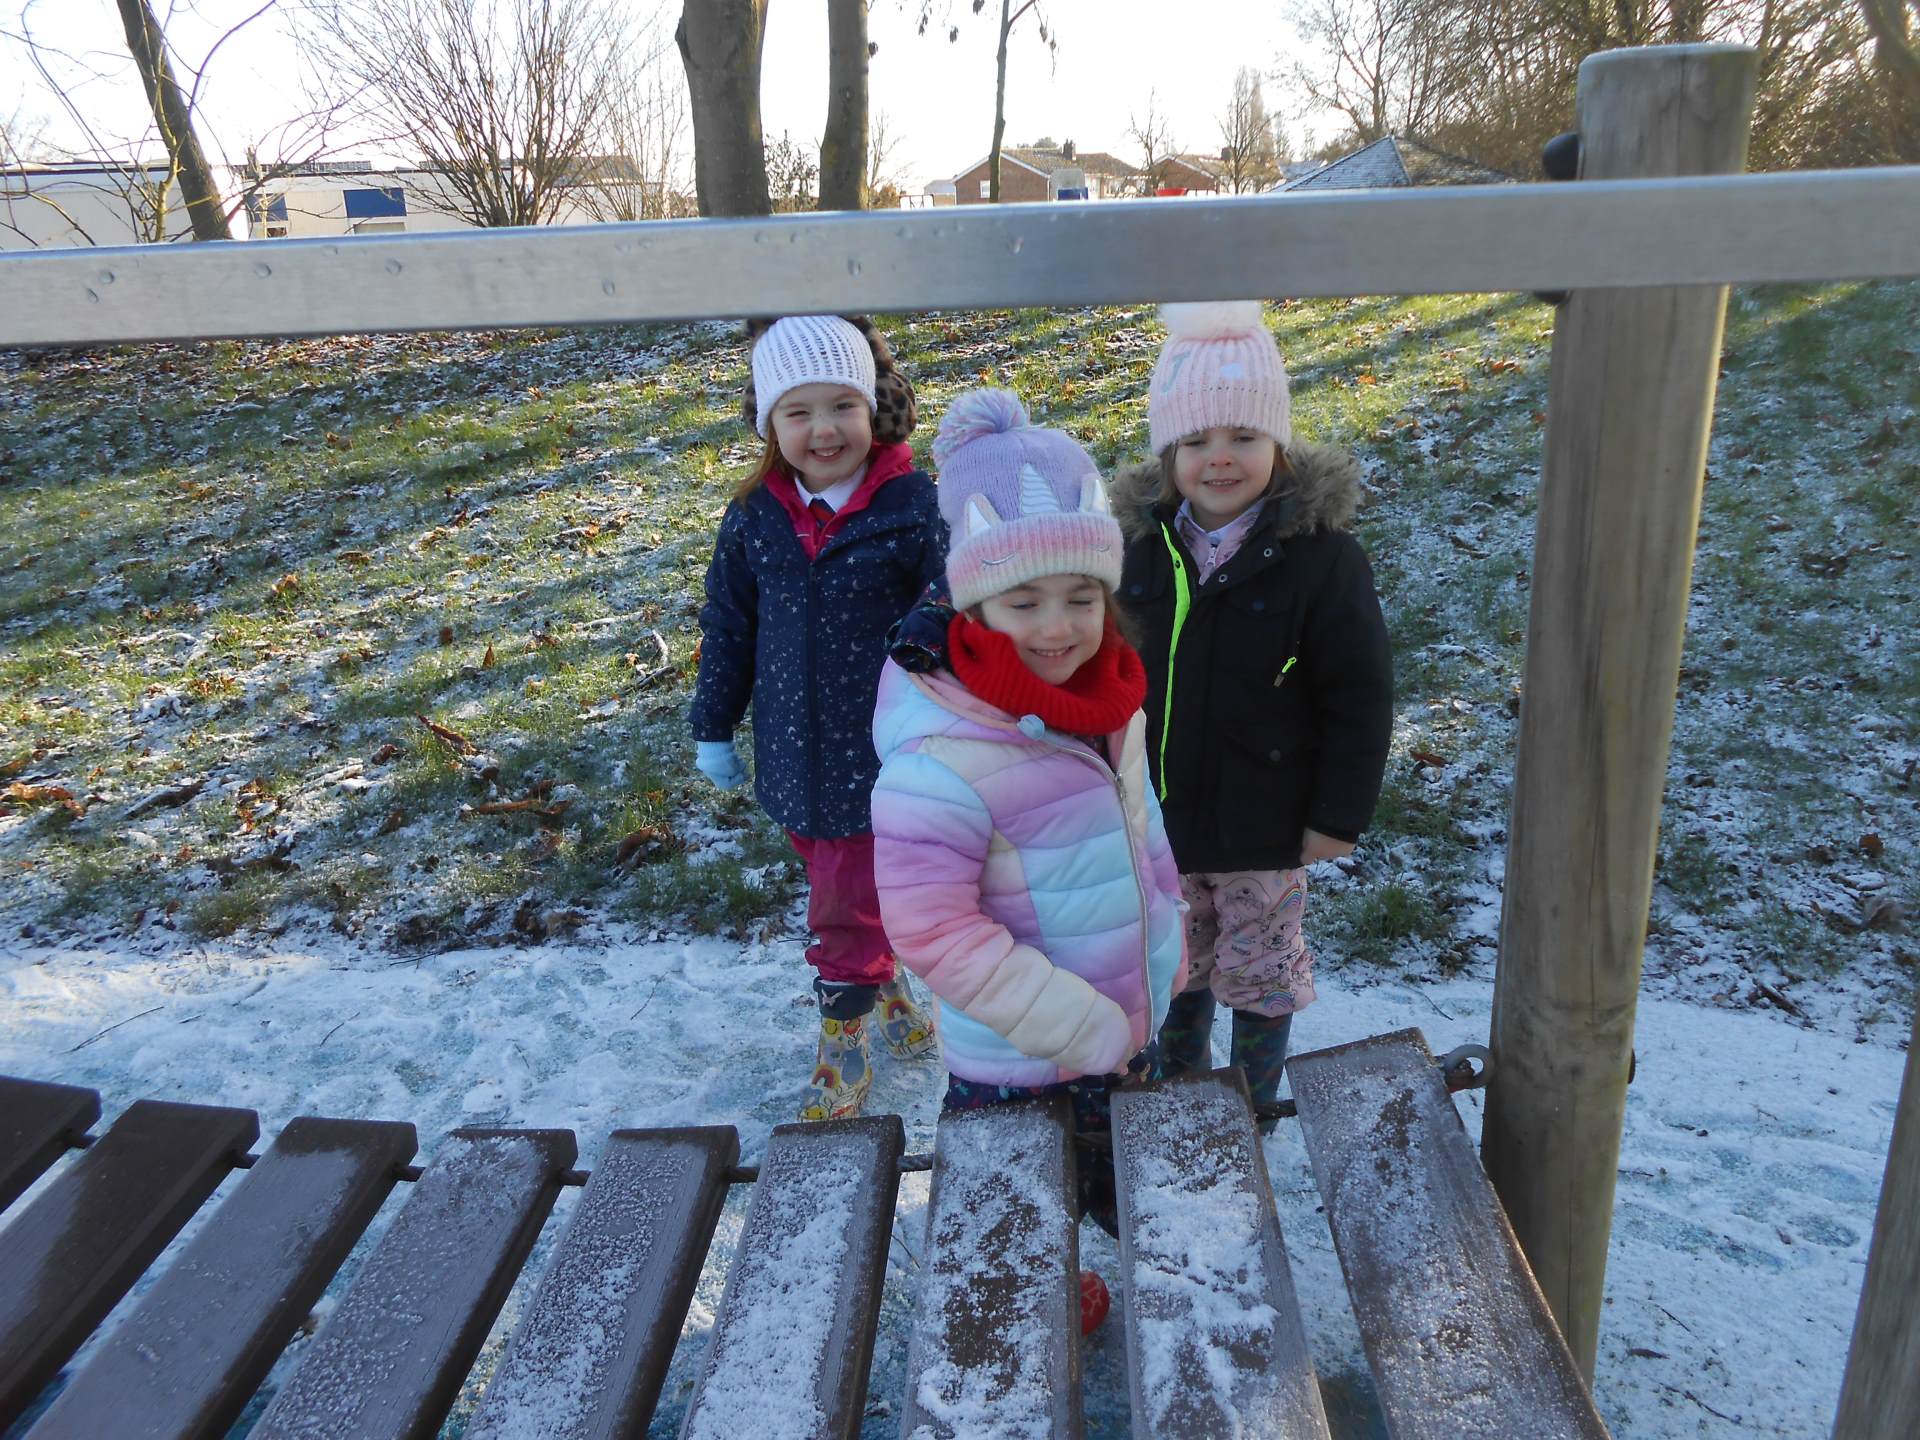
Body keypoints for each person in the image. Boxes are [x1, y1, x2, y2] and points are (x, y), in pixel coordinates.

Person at [870, 388, 1187, 1233]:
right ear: (972, 607)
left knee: (1146, 1217)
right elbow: (934, 931)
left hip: (1127, 1029)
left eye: (1082, 597)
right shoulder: (940, 757)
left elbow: (1142, 831)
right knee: (1014, 1240)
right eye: (1023, 601)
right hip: (1018, 1063)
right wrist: (1078, 1028)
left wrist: (1169, 943)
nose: (1058, 627)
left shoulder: (1107, 701)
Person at [1111, 301, 1393, 1125]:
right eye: (1196, 441)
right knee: (1177, 967)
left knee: (1262, 975)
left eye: (1243, 436)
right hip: (1159, 824)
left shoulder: (1322, 559)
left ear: (1279, 444)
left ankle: (1254, 1107)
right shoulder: (1135, 554)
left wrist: (1337, 816)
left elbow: (1359, 692)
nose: (1220, 458)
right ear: (1169, 455)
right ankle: (1184, 1105)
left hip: (1267, 828)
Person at [689, 314, 944, 1121]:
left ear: (876, 407)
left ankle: (843, 1043)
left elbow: (951, 605)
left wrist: (928, 665)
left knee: (843, 903)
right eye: (798, 412)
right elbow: (729, 624)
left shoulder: (912, 506)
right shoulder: (755, 516)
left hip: (885, 753)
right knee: (845, 888)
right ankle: (891, 990)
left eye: (843, 406)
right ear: (770, 423)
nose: (824, 430)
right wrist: (713, 725)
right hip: (793, 756)